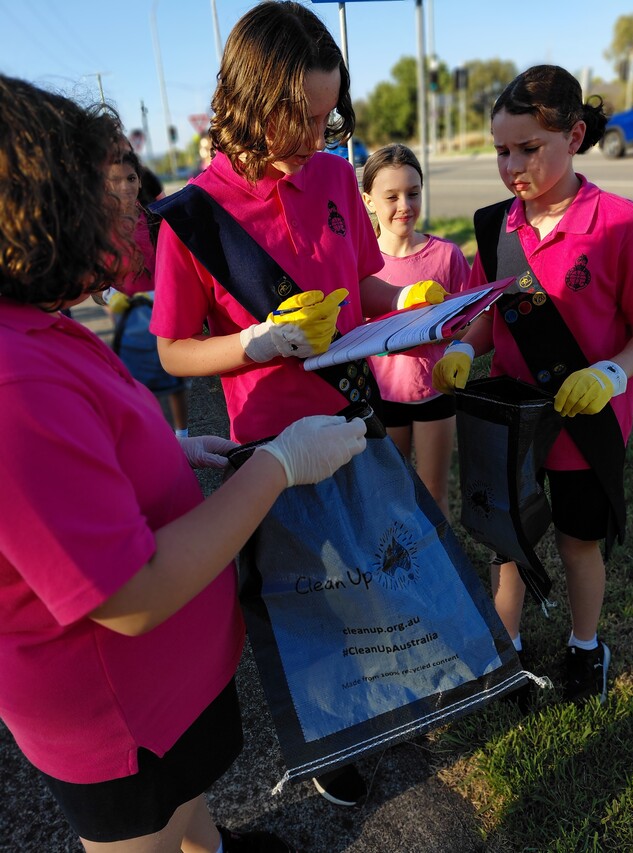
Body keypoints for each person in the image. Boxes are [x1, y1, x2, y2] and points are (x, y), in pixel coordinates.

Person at [0, 73, 368, 853]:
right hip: (121, 717)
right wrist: (278, 462)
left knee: (186, 809)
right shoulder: (11, 381)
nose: (127, 205)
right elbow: (130, 596)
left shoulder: (35, 327)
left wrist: (164, 450)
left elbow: (71, 456)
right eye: (97, 186)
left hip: (164, 690)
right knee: (148, 829)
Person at [149, 0, 445, 807]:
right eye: (305, 118)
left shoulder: (331, 174)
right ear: (253, 100)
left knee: (374, 570)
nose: (321, 136)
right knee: (306, 599)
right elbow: (173, 348)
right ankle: (332, 744)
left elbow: (364, 282)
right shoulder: (191, 217)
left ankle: (383, 697)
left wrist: (408, 298)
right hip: (273, 452)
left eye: (329, 115)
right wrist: (256, 342)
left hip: (354, 417)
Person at [432, 65, 633, 705]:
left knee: (580, 541)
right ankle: (510, 646)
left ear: (575, 136)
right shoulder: (497, 226)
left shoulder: (619, 223)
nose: (512, 165)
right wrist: (465, 349)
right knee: (508, 538)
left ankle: (585, 648)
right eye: (501, 150)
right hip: (512, 416)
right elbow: (493, 314)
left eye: (528, 149)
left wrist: (612, 372)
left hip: (586, 420)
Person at [361, 144, 470, 518]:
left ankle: (437, 570)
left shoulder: (447, 256)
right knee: (390, 496)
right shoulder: (363, 268)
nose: (404, 205)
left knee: (433, 494)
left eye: (413, 192)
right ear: (369, 201)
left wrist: (453, 338)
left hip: (435, 394)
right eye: (391, 196)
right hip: (381, 398)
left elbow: (465, 323)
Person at [104, 149, 191, 437]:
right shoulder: (101, 230)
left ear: (140, 182)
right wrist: (110, 298)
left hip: (164, 313)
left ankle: (182, 435)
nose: (125, 187)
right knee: (140, 385)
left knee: (175, 380)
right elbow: (95, 283)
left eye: (131, 178)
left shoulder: (156, 218)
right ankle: (154, 436)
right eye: (116, 180)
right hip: (129, 321)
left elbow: (178, 259)